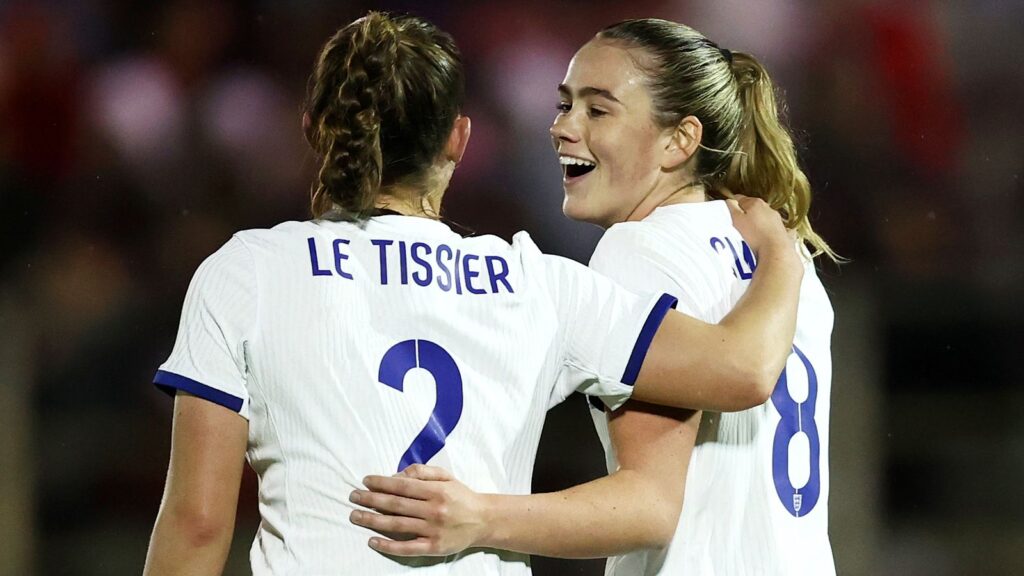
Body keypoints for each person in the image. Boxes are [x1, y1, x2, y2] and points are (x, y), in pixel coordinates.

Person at [142, 12, 804, 576]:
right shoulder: (536, 282)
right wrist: (781, 253)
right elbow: (740, 369)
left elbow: (200, 524)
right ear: (458, 138)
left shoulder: (246, 271)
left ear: (315, 126)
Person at [349, 18, 838, 576]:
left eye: (597, 110)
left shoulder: (639, 250)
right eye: (564, 105)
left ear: (679, 140)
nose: (562, 127)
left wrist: (480, 516)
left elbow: (649, 505)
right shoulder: (777, 257)